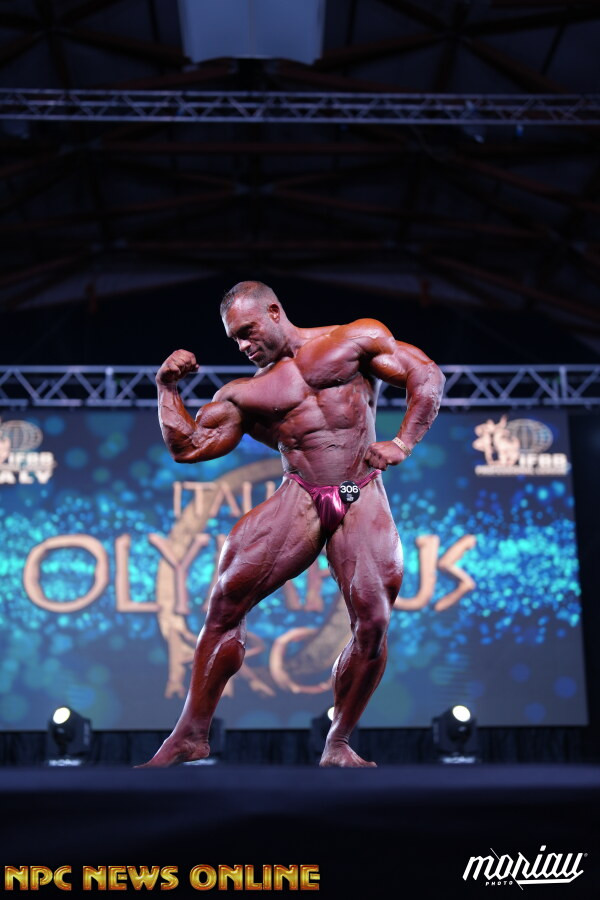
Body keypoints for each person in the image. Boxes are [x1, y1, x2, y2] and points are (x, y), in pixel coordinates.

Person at [140, 281, 445, 767]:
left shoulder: (354, 339)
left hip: (359, 488)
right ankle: (189, 735)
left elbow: (425, 375)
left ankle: (338, 742)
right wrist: (166, 388)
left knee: (373, 622)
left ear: (274, 311)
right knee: (225, 603)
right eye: (234, 339)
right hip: (300, 495)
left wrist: (402, 443)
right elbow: (189, 447)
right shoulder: (245, 393)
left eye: (248, 330)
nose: (243, 345)